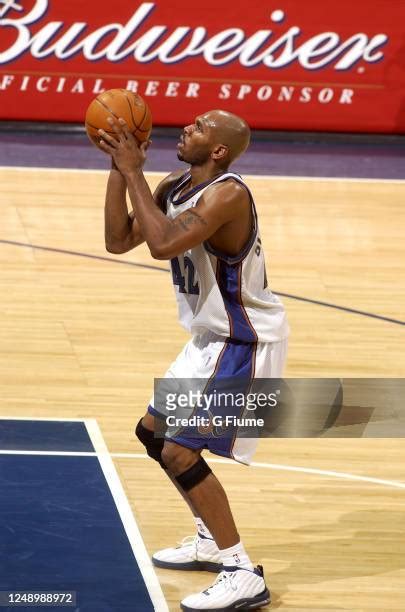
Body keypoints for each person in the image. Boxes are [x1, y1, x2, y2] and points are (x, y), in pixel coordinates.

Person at [99, 109, 289, 611]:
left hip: (243, 341)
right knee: (154, 434)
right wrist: (120, 172)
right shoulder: (174, 185)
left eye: (200, 127)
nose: (186, 128)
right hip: (209, 337)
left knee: (181, 452)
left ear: (220, 150)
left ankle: (242, 571)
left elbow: (161, 245)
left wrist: (133, 170)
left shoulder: (228, 194)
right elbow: (119, 241)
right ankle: (208, 537)